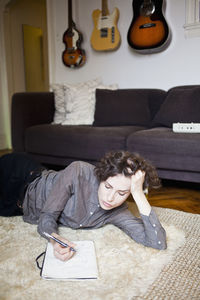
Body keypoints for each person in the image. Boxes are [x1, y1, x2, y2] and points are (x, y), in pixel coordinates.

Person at [0, 150, 167, 261]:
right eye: (108, 186)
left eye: (121, 193)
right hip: (20, 176)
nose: (110, 197)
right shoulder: (79, 171)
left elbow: (157, 243)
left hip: (18, 206)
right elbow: (47, 216)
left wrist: (138, 193)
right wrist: (54, 239)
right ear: (101, 176)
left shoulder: (119, 212)